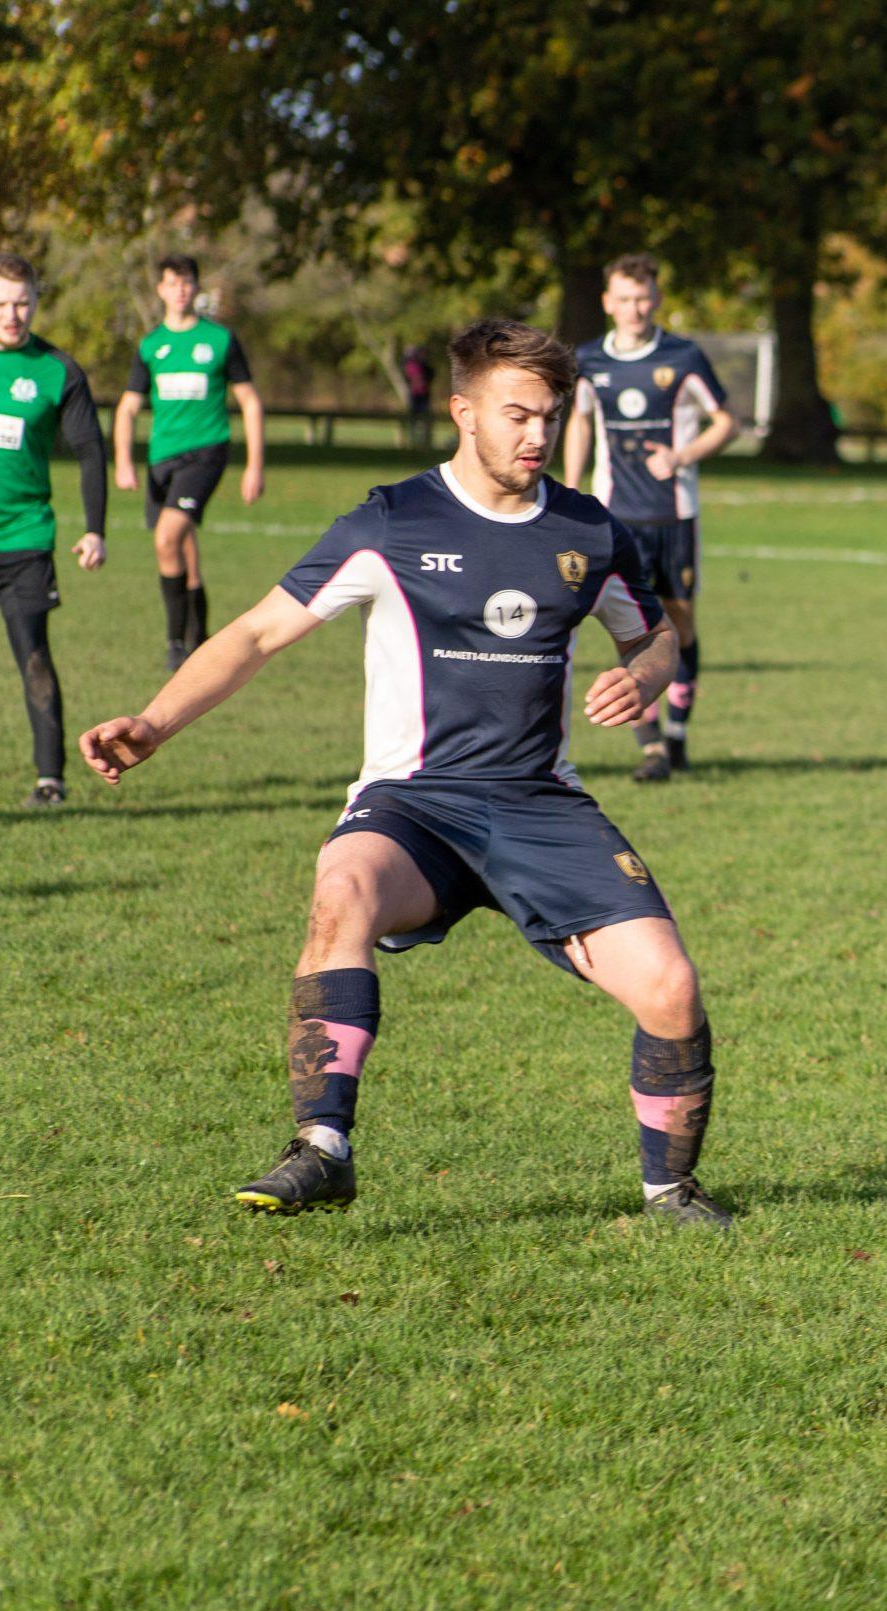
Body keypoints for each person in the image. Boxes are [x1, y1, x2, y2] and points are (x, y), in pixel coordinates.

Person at [78, 319, 731, 1228]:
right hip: (415, 806)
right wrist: (155, 722)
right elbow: (259, 632)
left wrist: (645, 677)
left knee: (670, 984)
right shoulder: (392, 521)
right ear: (463, 412)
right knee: (341, 889)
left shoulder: (587, 527)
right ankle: (322, 1148)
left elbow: (654, 635)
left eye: (551, 416)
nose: (538, 435)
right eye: (517, 415)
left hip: (540, 805)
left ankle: (670, 1190)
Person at [566, 255, 736, 782]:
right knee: (632, 630)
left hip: (674, 515)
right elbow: (580, 420)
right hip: (616, 519)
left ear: (656, 299)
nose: (634, 309)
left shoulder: (683, 356)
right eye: (624, 299)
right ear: (607, 302)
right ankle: (652, 748)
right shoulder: (589, 359)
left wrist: (682, 456)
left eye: (642, 298)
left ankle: (678, 733)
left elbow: (726, 422)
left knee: (679, 624)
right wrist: (570, 488)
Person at [0, 251, 106, 808]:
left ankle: (50, 780)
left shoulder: (57, 371)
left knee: (33, 655)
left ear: (35, 302)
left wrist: (95, 529)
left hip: (23, 538)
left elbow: (90, 452)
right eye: (1, 302)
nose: (12, 314)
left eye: (22, 303)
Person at [113, 253, 265, 670]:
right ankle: (200, 634)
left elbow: (250, 402)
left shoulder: (219, 340)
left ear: (196, 288)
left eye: (186, 282)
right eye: (172, 283)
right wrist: (123, 460)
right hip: (162, 459)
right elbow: (128, 408)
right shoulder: (151, 345)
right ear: (160, 289)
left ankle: (175, 643)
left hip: (206, 453)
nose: (179, 290)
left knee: (167, 537)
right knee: (183, 546)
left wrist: (254, 466)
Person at [401, 344, 435, 448]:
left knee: (425, 419)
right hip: (415, 395)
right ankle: (412, 441)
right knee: (414, 419)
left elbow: (430, 375)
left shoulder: (424, 367)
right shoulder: (411, 365)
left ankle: (424, 441)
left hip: (423, 395)